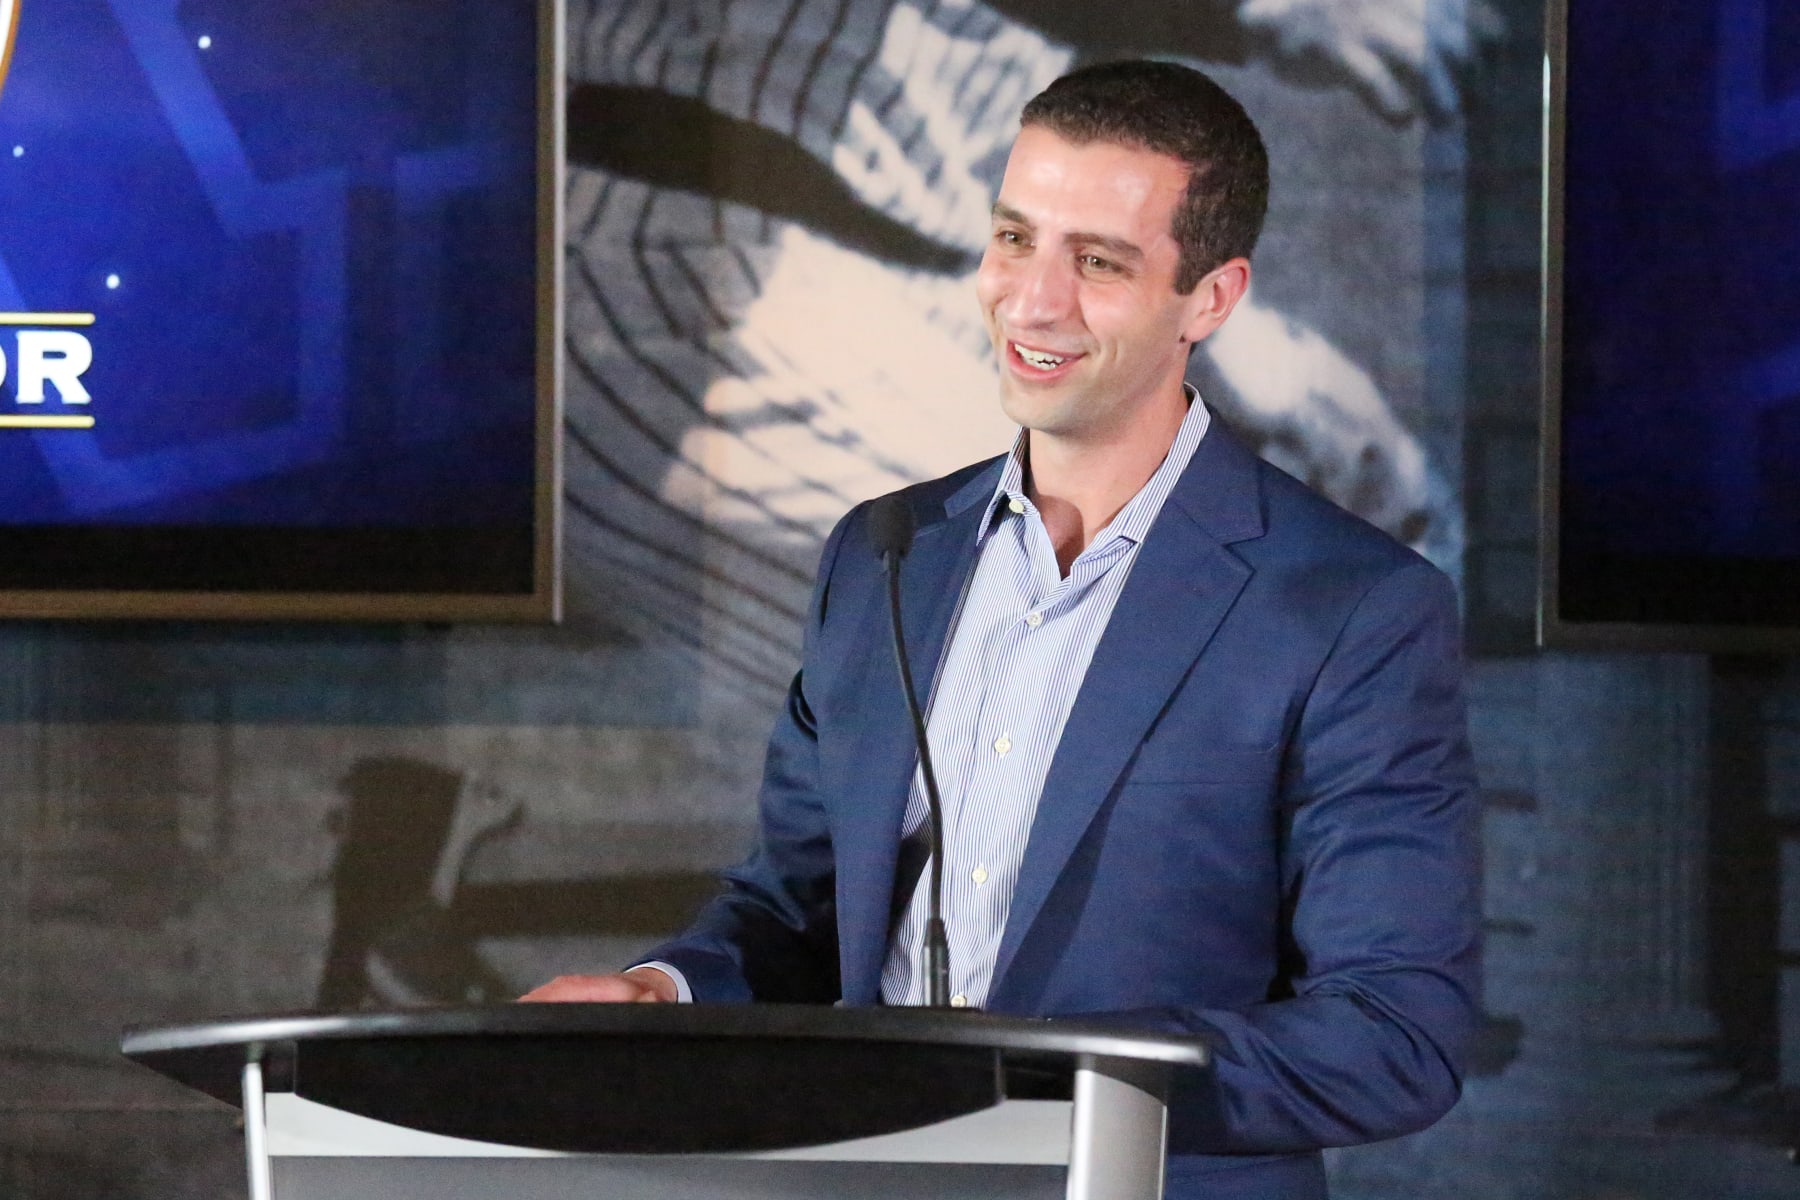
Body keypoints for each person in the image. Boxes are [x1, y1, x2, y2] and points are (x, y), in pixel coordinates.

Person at [526, 59, 1480, 1199]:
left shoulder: (1353, 607)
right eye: (1016, 238)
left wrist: (1044, 1085)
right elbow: (797, 906)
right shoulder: (884, 554)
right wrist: (667, 991)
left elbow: (1392, 1037)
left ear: (1213, 299)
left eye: (1100, 263)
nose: (1032, 301)